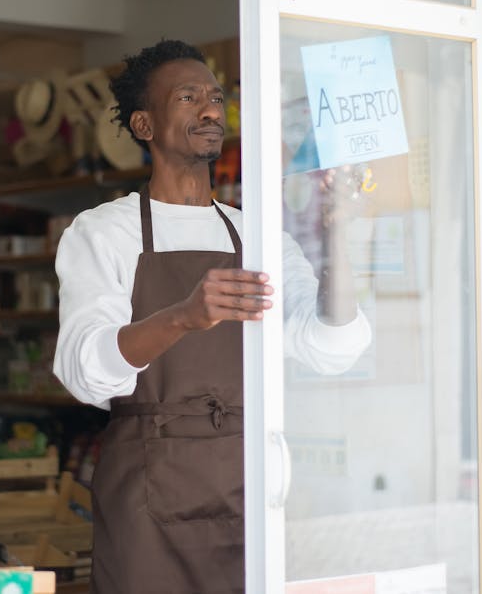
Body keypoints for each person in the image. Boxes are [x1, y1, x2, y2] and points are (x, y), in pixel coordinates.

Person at [53, 39, 371, 593]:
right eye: (188, 97)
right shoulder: (103, 231)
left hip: (247, 483)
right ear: (145, 125)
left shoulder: (258, 235)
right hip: (148, 494)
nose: (208, 109)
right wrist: (181, 316)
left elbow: (327, 346)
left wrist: (339, 232)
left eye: (216, 98)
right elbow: (85, 371)